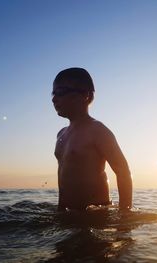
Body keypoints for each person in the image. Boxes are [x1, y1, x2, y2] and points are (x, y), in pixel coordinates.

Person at [52, 67, 132, 210]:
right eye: (53, 93)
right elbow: (62, 177)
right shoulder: (61, 134)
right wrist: (60, 210)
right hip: (69, 213)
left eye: (60, 92)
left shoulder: (97, 130)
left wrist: (124, 213)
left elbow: (123, 170)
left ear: (85, 95)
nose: (54, 98)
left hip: (96, 215)